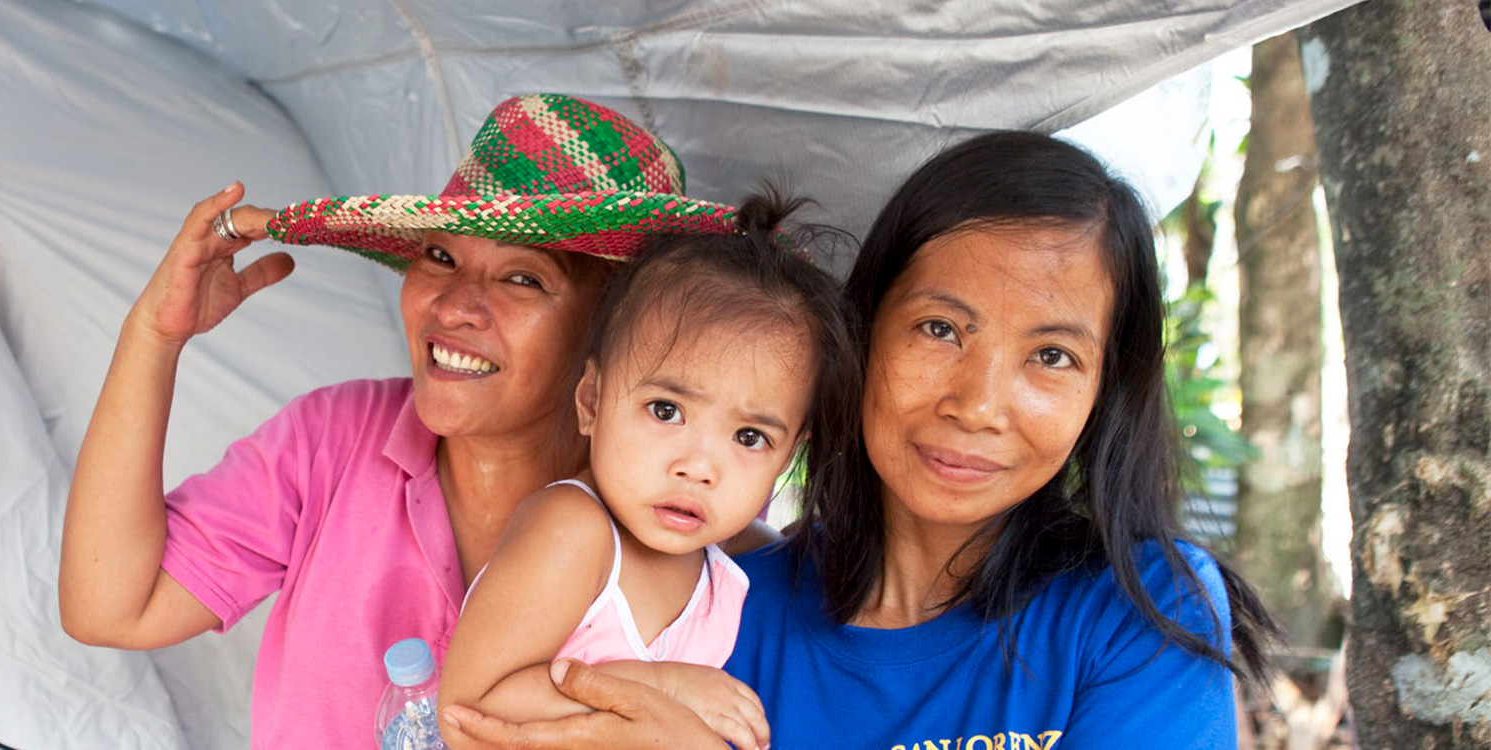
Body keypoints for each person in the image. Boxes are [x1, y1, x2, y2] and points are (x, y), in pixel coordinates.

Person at [443, 132, 1279, 749]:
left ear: (1105, 391)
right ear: (862, 338)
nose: (980, 405)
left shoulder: (1140, 614)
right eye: (941, 328)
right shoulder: (723, 610)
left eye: (1052, 356)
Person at [57, 93, 744, 750]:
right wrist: (154, 336)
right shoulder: (331, 441)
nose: (453, 307)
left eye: (523, 279)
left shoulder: (682, 542)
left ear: (611, 335)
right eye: (441, 257)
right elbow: (114, 606)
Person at [436, 193, 862, 750]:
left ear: (787, 458)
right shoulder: (574, 532)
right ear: (591, 400)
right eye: (666, 411)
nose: (699, 467)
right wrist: (662, 689)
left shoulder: (724, 551)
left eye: (750, 438)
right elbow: (470, 711)